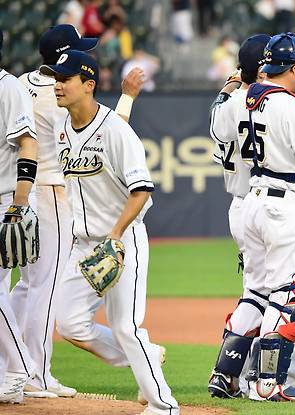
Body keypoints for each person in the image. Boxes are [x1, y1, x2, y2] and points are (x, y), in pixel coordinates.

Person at [208, 33, 295, 399]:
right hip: (284, 202)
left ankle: (224, 373)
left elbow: (218, 130)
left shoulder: (240, 100)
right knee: (287, 294)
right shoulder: (292, 105)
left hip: (250, 198)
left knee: (255, 293)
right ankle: (267, 383)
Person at [40, 50, 179, 415]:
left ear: (88, 85)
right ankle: (146, 358)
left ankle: (164, 406)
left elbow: (142, 190)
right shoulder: (61, 129)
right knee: (70, 324)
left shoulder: (117, 131)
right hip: (82, 245)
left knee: (125, 327)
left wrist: (116, 235)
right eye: (56, 77)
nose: (57, 84)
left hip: (122, 240)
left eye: (65, 79)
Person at [11, 24, 145, 400]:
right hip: (53, 192)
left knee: (25, 287)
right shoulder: (56, 96)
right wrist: (128, 98)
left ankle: (14, 368)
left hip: (25, 190)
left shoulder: (20, 84)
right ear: (62, 61)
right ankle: (34, 374)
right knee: (46, 289)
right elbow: (105, 134)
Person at [0, 29, 39, 404]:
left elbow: (29, 143)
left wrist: (19, 203)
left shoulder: (8, 87)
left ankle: (22, 367)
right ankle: (10, 373)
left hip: (3, 202)